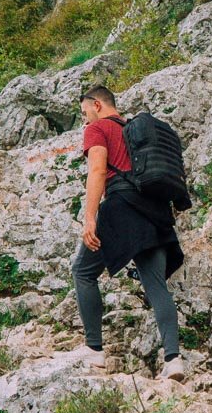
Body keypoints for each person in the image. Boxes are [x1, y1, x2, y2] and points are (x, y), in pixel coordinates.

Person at [62, 85, 188, 380]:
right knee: (156, 284)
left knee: (82, 271)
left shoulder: (99, 129)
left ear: (96, 104)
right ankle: (173, 360)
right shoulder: (136, 133)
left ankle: (94, 350)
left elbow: (97, 171)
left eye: (84, 113)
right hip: (155, 209)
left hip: (121, 207)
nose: (85, 120)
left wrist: (90, 219)